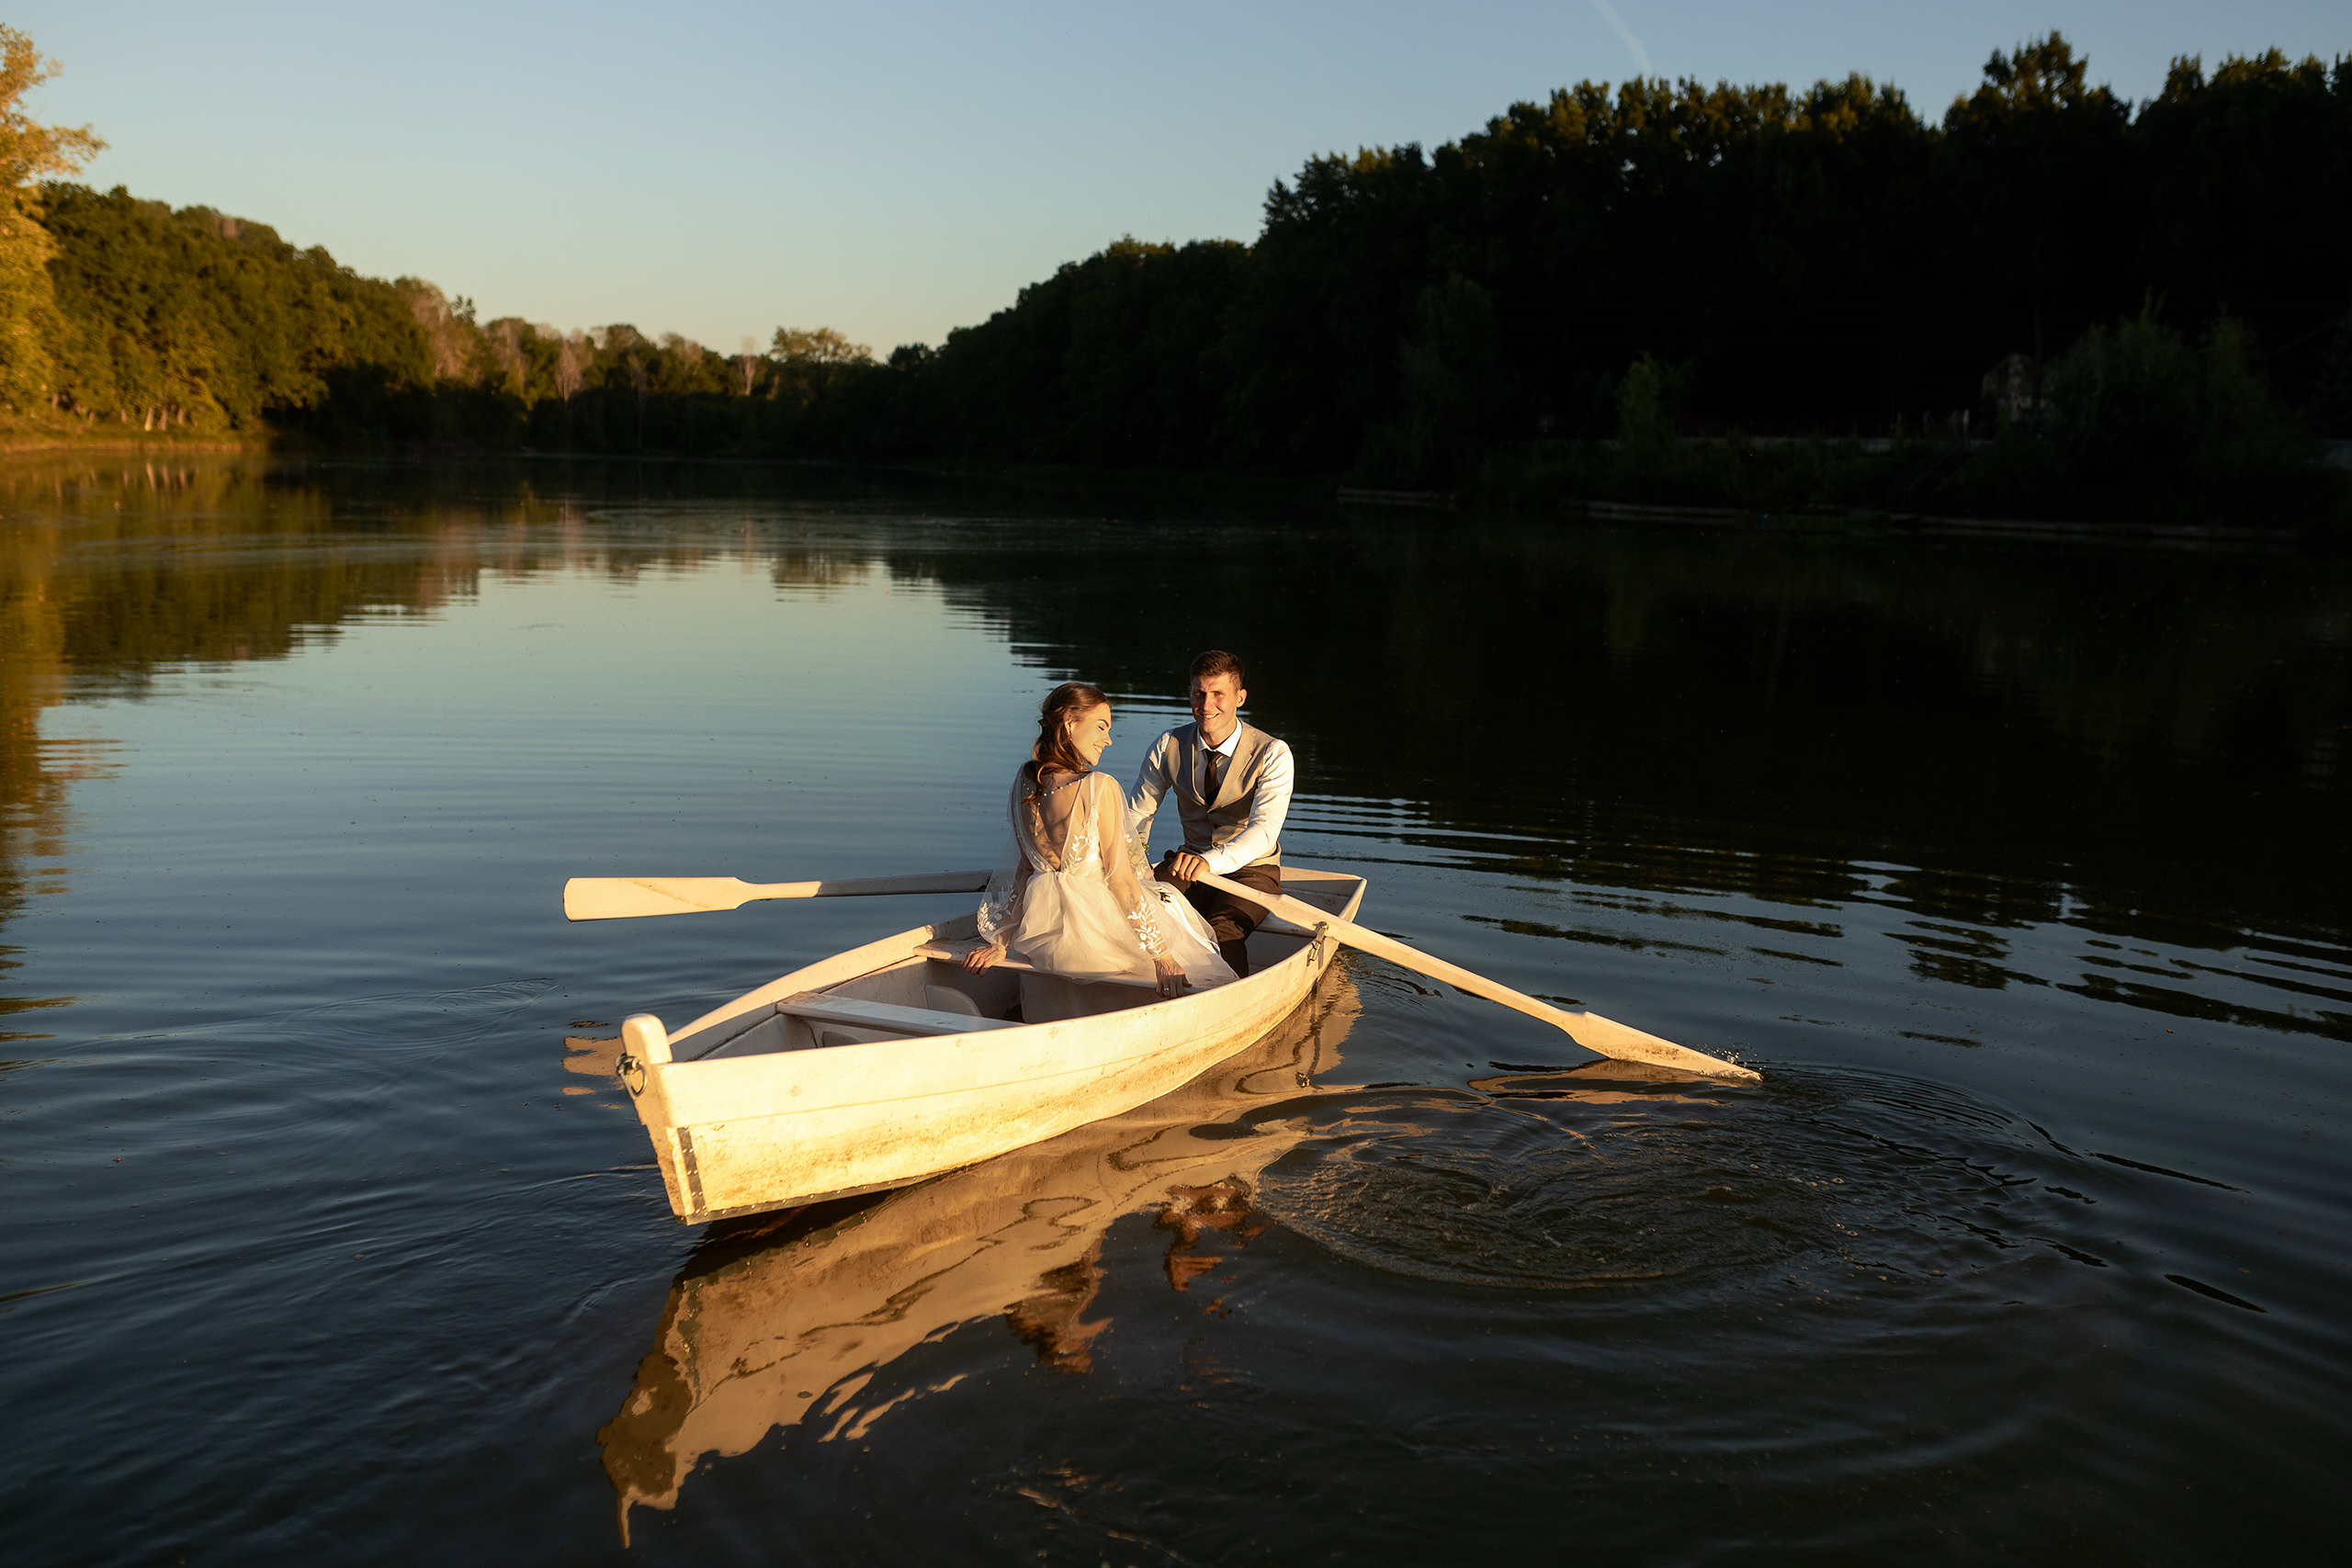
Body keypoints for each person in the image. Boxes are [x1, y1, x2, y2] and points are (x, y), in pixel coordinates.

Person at [964, 682, 1236, 1014]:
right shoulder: (1100, 787)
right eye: (1102, 727)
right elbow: (1121, 883)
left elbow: (1024, 870)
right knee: (1183, 927)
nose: (1108, 740)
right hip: (1096, 933)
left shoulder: (1024, 781)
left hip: (1044, 932)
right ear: (1069, 725)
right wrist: (1162, 955)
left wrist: (1003, 941)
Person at [1125, 650, 1294, 976]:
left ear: (1239, 698)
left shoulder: (1273, 753)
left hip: (1252, 873)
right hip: (1187, 865)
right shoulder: (1167, 745)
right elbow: (1137, 816)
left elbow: (1264, 832)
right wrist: (1133, 864)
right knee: (1133, 909)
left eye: (1218, 694)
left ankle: (1230, 1004)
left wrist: (1209, 861)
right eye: (1199, 693)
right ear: (1190, 693)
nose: (1206, 705)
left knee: (1224, 929)